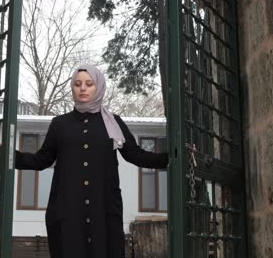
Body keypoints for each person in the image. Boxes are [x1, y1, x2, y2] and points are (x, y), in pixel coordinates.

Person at [14, 64, 168, 258]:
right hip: (67, 210)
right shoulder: (59, 124)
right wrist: (7, 155)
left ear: (99, 87)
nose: (83, 88)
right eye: (77, 84)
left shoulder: (113, 123)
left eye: (89, 83)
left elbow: (136, 155)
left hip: (103, 210)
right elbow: (40, 160)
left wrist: (172, 158)